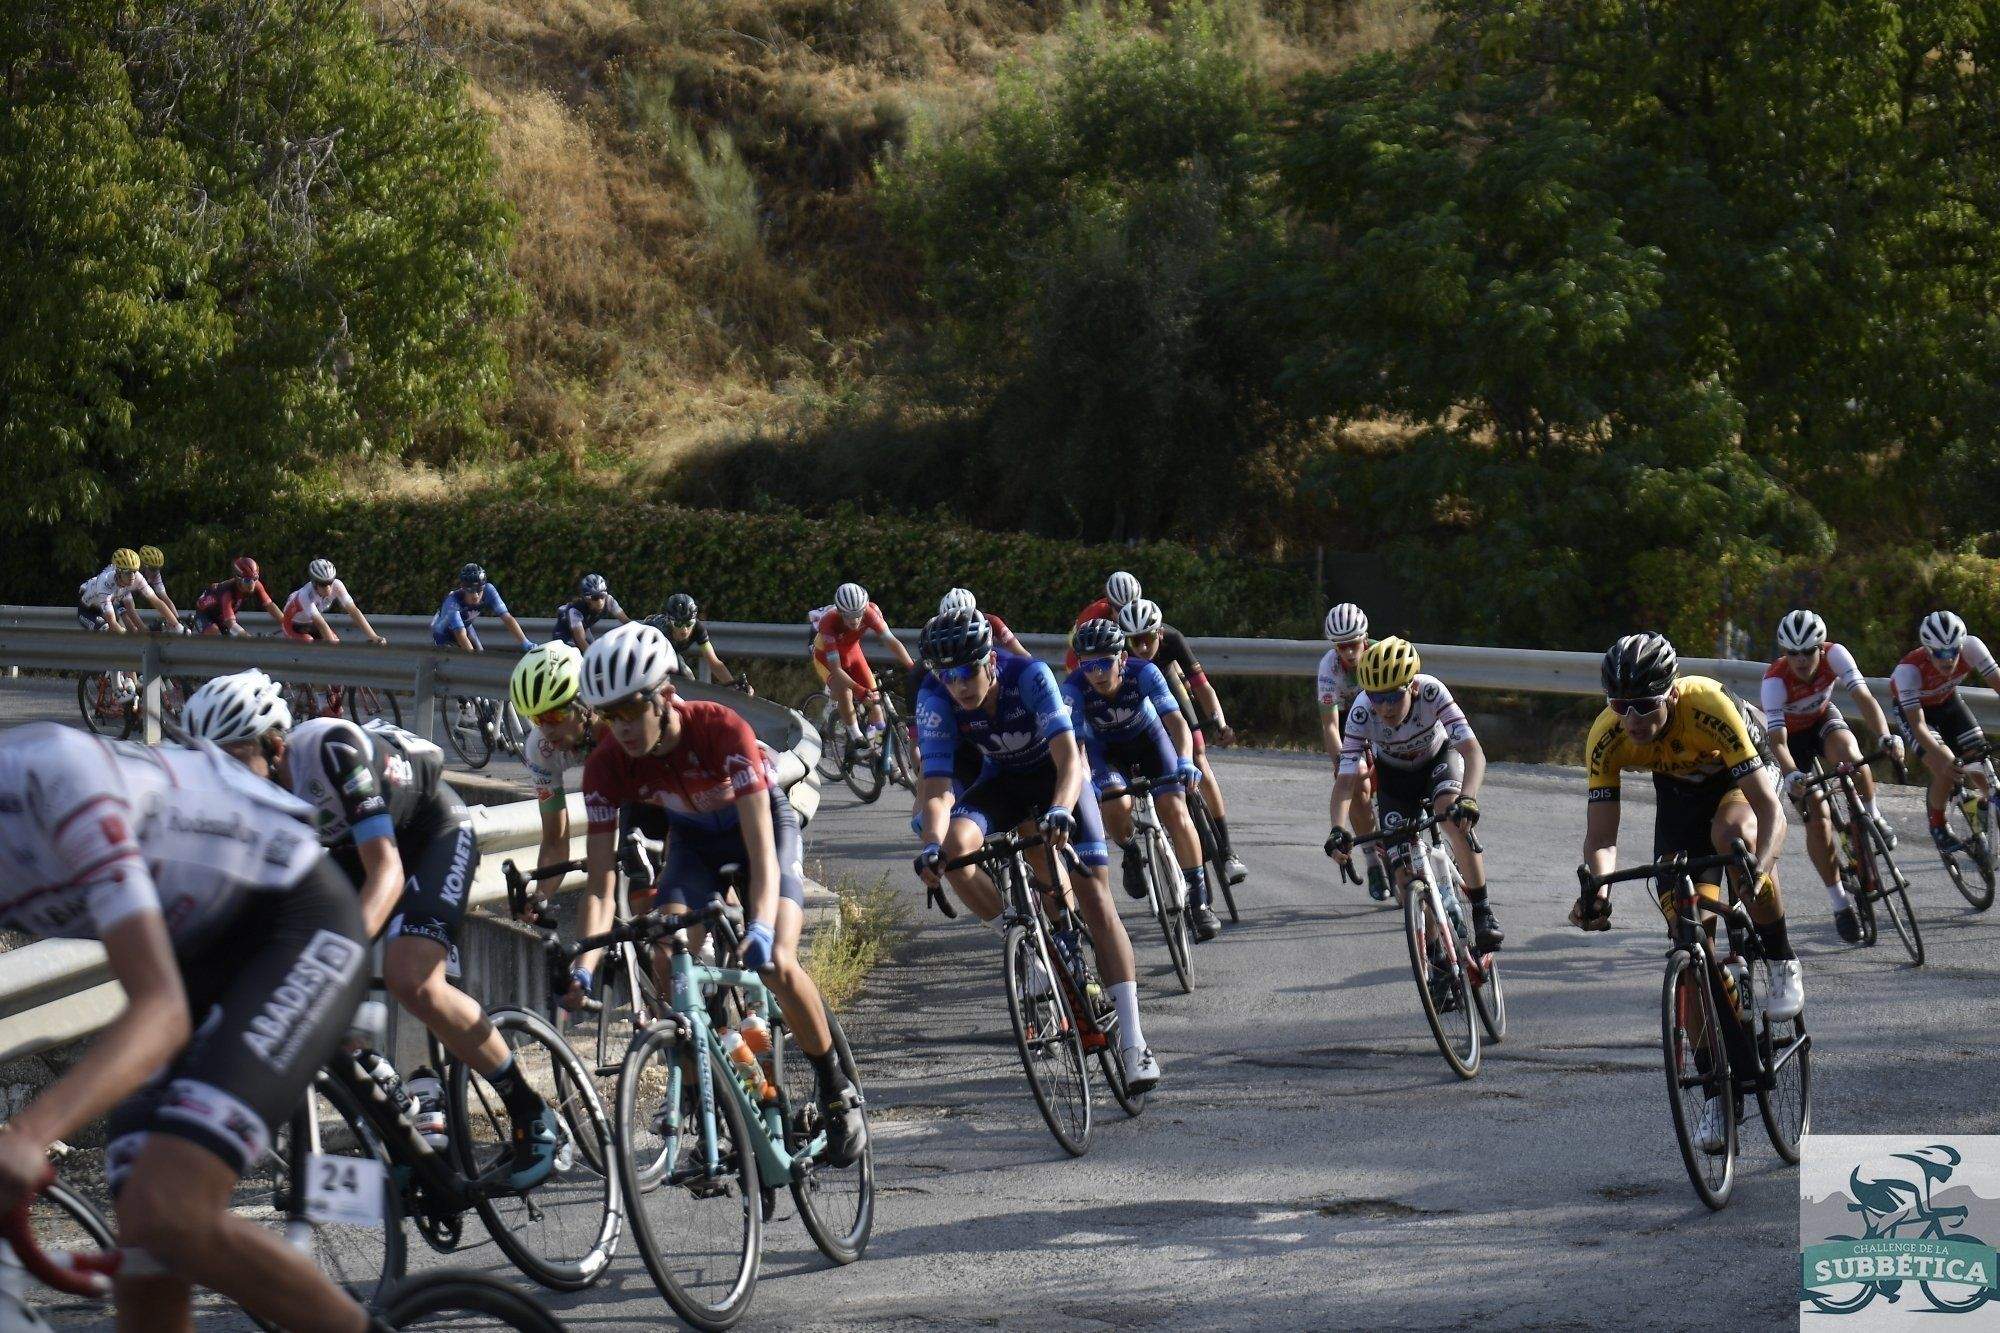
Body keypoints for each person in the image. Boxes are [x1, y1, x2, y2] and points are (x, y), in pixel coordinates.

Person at [0, 722, 379, 1333]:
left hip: (291, 917)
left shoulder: (54, 780)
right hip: (197, 955)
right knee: (145, 1255)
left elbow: (161, 1011)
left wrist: (26, 1135)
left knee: (167, 1208)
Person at [185, 670, 559, 1184]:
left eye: (232, 761)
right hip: (346, 851)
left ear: (274, 745)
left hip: (430, 831)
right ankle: (401, 1128)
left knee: (411, 978)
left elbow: (387, 872)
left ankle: (531, 1113)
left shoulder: (329, 749)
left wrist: (339, 955)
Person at [571, 623, 866, 1165]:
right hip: (694, 844)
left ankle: (835, 1087)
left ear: (664, 696)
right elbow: (598, 886)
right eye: (610, 715)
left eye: (632, 710)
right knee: (668, 956)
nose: (623, 728)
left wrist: (757, 924)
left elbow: (760, 847)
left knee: (776, 960)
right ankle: (736, 1078)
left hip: (762, 831)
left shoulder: (720, 728)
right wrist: (583, 965)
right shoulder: (606, 765)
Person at [912, 608, 1162, 1092]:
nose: (958, 685)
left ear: (989, 659)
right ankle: (1023, 936)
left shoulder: (1029, 675)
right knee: (955, 852)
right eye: (947, 675)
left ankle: (1134, 1041)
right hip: (1002, 782)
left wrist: (1063, 809)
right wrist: (929, 845)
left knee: (1094, 898)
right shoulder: (935, 695)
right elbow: (938, 785)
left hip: (1058, 781)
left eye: (966, 672)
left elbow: (1069, 759)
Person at [1574, 633, 1802, 1154]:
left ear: (1671, 695)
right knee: (1687, 946)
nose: (1631, 717)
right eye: (1619, 705)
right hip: (1677, 804)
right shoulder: (1607, 735)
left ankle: (1782, 956)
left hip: (1737, 782)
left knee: (1734, 842)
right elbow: (1601, 838)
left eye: (1645, 705)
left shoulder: (1707, 703)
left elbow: (1771, 812)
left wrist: (1758, 876)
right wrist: (1600, 892)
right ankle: (1716, 1093)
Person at [1323, 637, 1502, 954]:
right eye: (1378, 698)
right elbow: (1346, 781)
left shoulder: (1432, 691)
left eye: (1394, 696)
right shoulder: (1362, 713)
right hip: (1394, 776)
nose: (1386, 707)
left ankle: (1482, 911)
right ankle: (1434, 952)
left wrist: (1469, 798)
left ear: (1413, 688)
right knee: (1404, 876)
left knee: (1450, 812)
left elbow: (1474, 753)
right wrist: (1338, 828)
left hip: (1437, 760)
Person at [1062, 618, 1217, 939]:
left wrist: (1186, 759)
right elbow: (1075, 747)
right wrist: (1084, 781)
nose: (1097, 674)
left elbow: (1175, 722)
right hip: (1106, 751)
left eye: (1104, 663)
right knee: (1115, 800)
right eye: (1088, 665)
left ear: (1121, 658)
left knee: (1174, 809)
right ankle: (1131, 850)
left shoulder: (1144, 672)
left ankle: (1199, 903)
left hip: (1150, 741)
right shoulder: (1074, 687)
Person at [1761, 609, 1904, 942]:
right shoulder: (1774, 681)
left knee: (1852, 756)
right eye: (1791, 652)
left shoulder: (1835, 655)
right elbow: (1777, 741)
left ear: (1820, 647)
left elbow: (1863, 697)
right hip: (1791, 743)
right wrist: (1793, 774)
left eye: (1807, 651)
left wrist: (1884, 735)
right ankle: (1839, 902)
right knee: (1818, 819)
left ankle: (1872, 815)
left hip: (1823, 720)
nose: (1799, 659)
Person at [1117, 597, 1249, 885]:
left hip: (1169, 693)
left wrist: (1220, 722)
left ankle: (1226, 852)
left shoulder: (1173, 638)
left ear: (1159, 634)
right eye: (1133, 642)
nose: (1140, 648)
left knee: (1199, 756)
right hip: (1138, 705)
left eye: (1147, 640)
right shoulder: (1119, 653)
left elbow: (1201, 686)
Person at [1888, 611, 2000, 855]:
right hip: (1916, 715)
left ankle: (1983, 808)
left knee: (1979, 758)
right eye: (1940, 654)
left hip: (1947, 702)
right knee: (1947, 767)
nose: (1948, 660)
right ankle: (1938, 824)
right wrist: (1942, 757)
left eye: (1953, 652)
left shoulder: (1972, 647)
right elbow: (1917, 725)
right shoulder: (1909, 671)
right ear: (1928, 650)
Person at [1317, 603, 1389, 900]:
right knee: (1355, 777)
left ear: (1366, 638)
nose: (1348, 653)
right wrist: (1340, 763)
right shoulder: (1328, 668)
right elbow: (1331, 726)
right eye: (1341, 647)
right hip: (1349, 723)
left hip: (1383, 716)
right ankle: (1373, 862)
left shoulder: (1382, 655)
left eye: (1354, 644)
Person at [512, 641, 597, 886]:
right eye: (538, 718)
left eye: (554, 715)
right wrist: (541, 897)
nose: (547, 729)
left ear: (583, 704)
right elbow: (554, 840)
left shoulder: (619, 723)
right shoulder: (540, 750)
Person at [808, 581, 914, 752]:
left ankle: (877, 752)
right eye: (848, 615)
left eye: (859, 614)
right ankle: (854, 733)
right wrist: (859, 690)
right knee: (845, 689)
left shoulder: (870, 612)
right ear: (840, 612)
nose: (855, 620)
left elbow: (891, 641)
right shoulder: (829, 622)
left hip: (853, 653)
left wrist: (911, 665)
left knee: (876, 705)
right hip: (825, 659)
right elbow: (836, 669)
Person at [648, 592, 748, 690]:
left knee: (688, 679)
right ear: (669, 621)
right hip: (648, 654)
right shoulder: (659, 630)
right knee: (678, 667)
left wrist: (733, 686)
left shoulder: (698, 629)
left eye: (689, 623)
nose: (684, 630)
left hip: (670, 655)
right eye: (678, 624)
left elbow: (714, 662)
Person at [281, 559, 388, 646]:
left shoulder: (337, 585)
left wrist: (373, 636)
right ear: (314, 584)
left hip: (310, 623)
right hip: (292, 625)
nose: (328, 588)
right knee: (309, 642)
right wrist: (334, 650)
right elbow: (321, 623)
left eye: (330, 582)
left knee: (335, 641)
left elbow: (353, 611)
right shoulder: (304, 595)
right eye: (323, 584)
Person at [429, 562, 531, 652]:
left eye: (479, 590)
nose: (476, 595)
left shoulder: (489, 590)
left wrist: (526, 643)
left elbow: (507, 618)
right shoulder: (453, 602)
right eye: (470, 590)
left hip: (466, 626)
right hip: (443, 634)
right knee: (458, 662)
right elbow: (460, 634)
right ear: (463, 588)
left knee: (480, 653)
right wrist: (473, 659)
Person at [77, 548, 176, 634]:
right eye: (129, 573)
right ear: (118, 573)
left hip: (108, 604)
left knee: (127, 626)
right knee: (109, 630)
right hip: (88, 610)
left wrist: (177, 624)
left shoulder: (130, 579)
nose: (132, 577)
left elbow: (157, 600)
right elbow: (115, 621)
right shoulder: (106, 582)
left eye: (134, 572)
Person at [1064, 570, 1142, 670]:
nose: (1126, 615)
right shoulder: (1095, 616)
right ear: (1110, 605)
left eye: (1131, 609)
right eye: (1120, 610)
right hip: (1081, 656)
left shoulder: (1143, 613)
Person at [192, 557, 285, 637]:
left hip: (222, 615)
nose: (252, 585)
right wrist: (248, 638)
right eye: (247, 581)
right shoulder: (227, 592)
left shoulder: (256, 585)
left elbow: (269, 605)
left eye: (255, 579)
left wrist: (286, 623)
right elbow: (230, 623)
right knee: (216, 635)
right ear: (237, 579)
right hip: (205, 615)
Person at [940, 587, 1028, 656]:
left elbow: (1018, 649)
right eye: (953, 619)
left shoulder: (991, 621)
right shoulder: (936, 628)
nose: (960, 622)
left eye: (964, 615)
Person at [553, 573, 631, 649]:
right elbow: (581, 641)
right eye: (595, 598)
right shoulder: (575, 611)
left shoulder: (609, 601)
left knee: (593, 648)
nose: (600, 602)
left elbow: (626, 621)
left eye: (602, 595)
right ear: (587, 599)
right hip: (564, 634)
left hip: (584, 628)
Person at [136, 545, 181, 627]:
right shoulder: (132, 573)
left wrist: (178, 621)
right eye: (153, 569)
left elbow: (165, 599)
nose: (155, 572)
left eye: (158, 568)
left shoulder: (156, 574)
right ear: (142, 565)